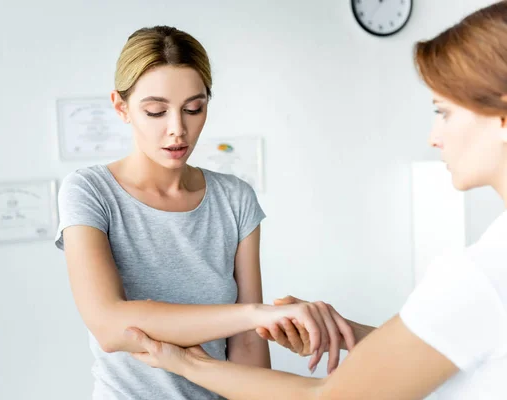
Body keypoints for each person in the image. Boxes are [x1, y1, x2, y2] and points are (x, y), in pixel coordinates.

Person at [125, 2, 507, 399]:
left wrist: (187, 362)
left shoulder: (481, 275)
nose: (434, 136)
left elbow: (326, 398)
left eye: (443, 111)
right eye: (156, 110)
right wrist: (347, 334)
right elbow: (463, 342)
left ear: (501, 117)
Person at [55, 26, 362, 400]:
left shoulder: (234, 198)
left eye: (193, 109)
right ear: (122, 108)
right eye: (155, 111)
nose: (177, 130)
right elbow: (111, 326)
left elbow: (248, 349)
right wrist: (253, 313)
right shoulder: (89, 191)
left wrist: (258, 321)